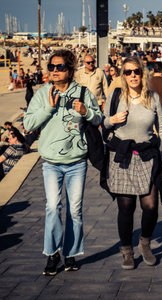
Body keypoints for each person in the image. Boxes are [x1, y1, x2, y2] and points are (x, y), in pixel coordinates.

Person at [24, 49, 103, 275]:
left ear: (70, 70)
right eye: (52, 67)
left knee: (75, 210)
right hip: (51, 162)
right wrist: (49, 107)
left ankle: (70, 253)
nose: (55, 71)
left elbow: (98, 118)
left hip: (77, 162)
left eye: (60, 67)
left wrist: (85, 110)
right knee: (52, 207)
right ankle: (52, 253)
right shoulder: (42, 93)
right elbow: (28, 124)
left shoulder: (82, 92)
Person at [102, 56, 162, 270]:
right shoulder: (115, 96)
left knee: (150, 206)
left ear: (143, 73)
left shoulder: (153, 97)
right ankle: (127, 250)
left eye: (136, 71)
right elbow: (102, 123)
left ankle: (145, 242)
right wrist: (113, 120)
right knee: (126, 207)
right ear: (123, 75)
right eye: (128, 72)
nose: (133, 76)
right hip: (122, 157)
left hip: (147, 155)